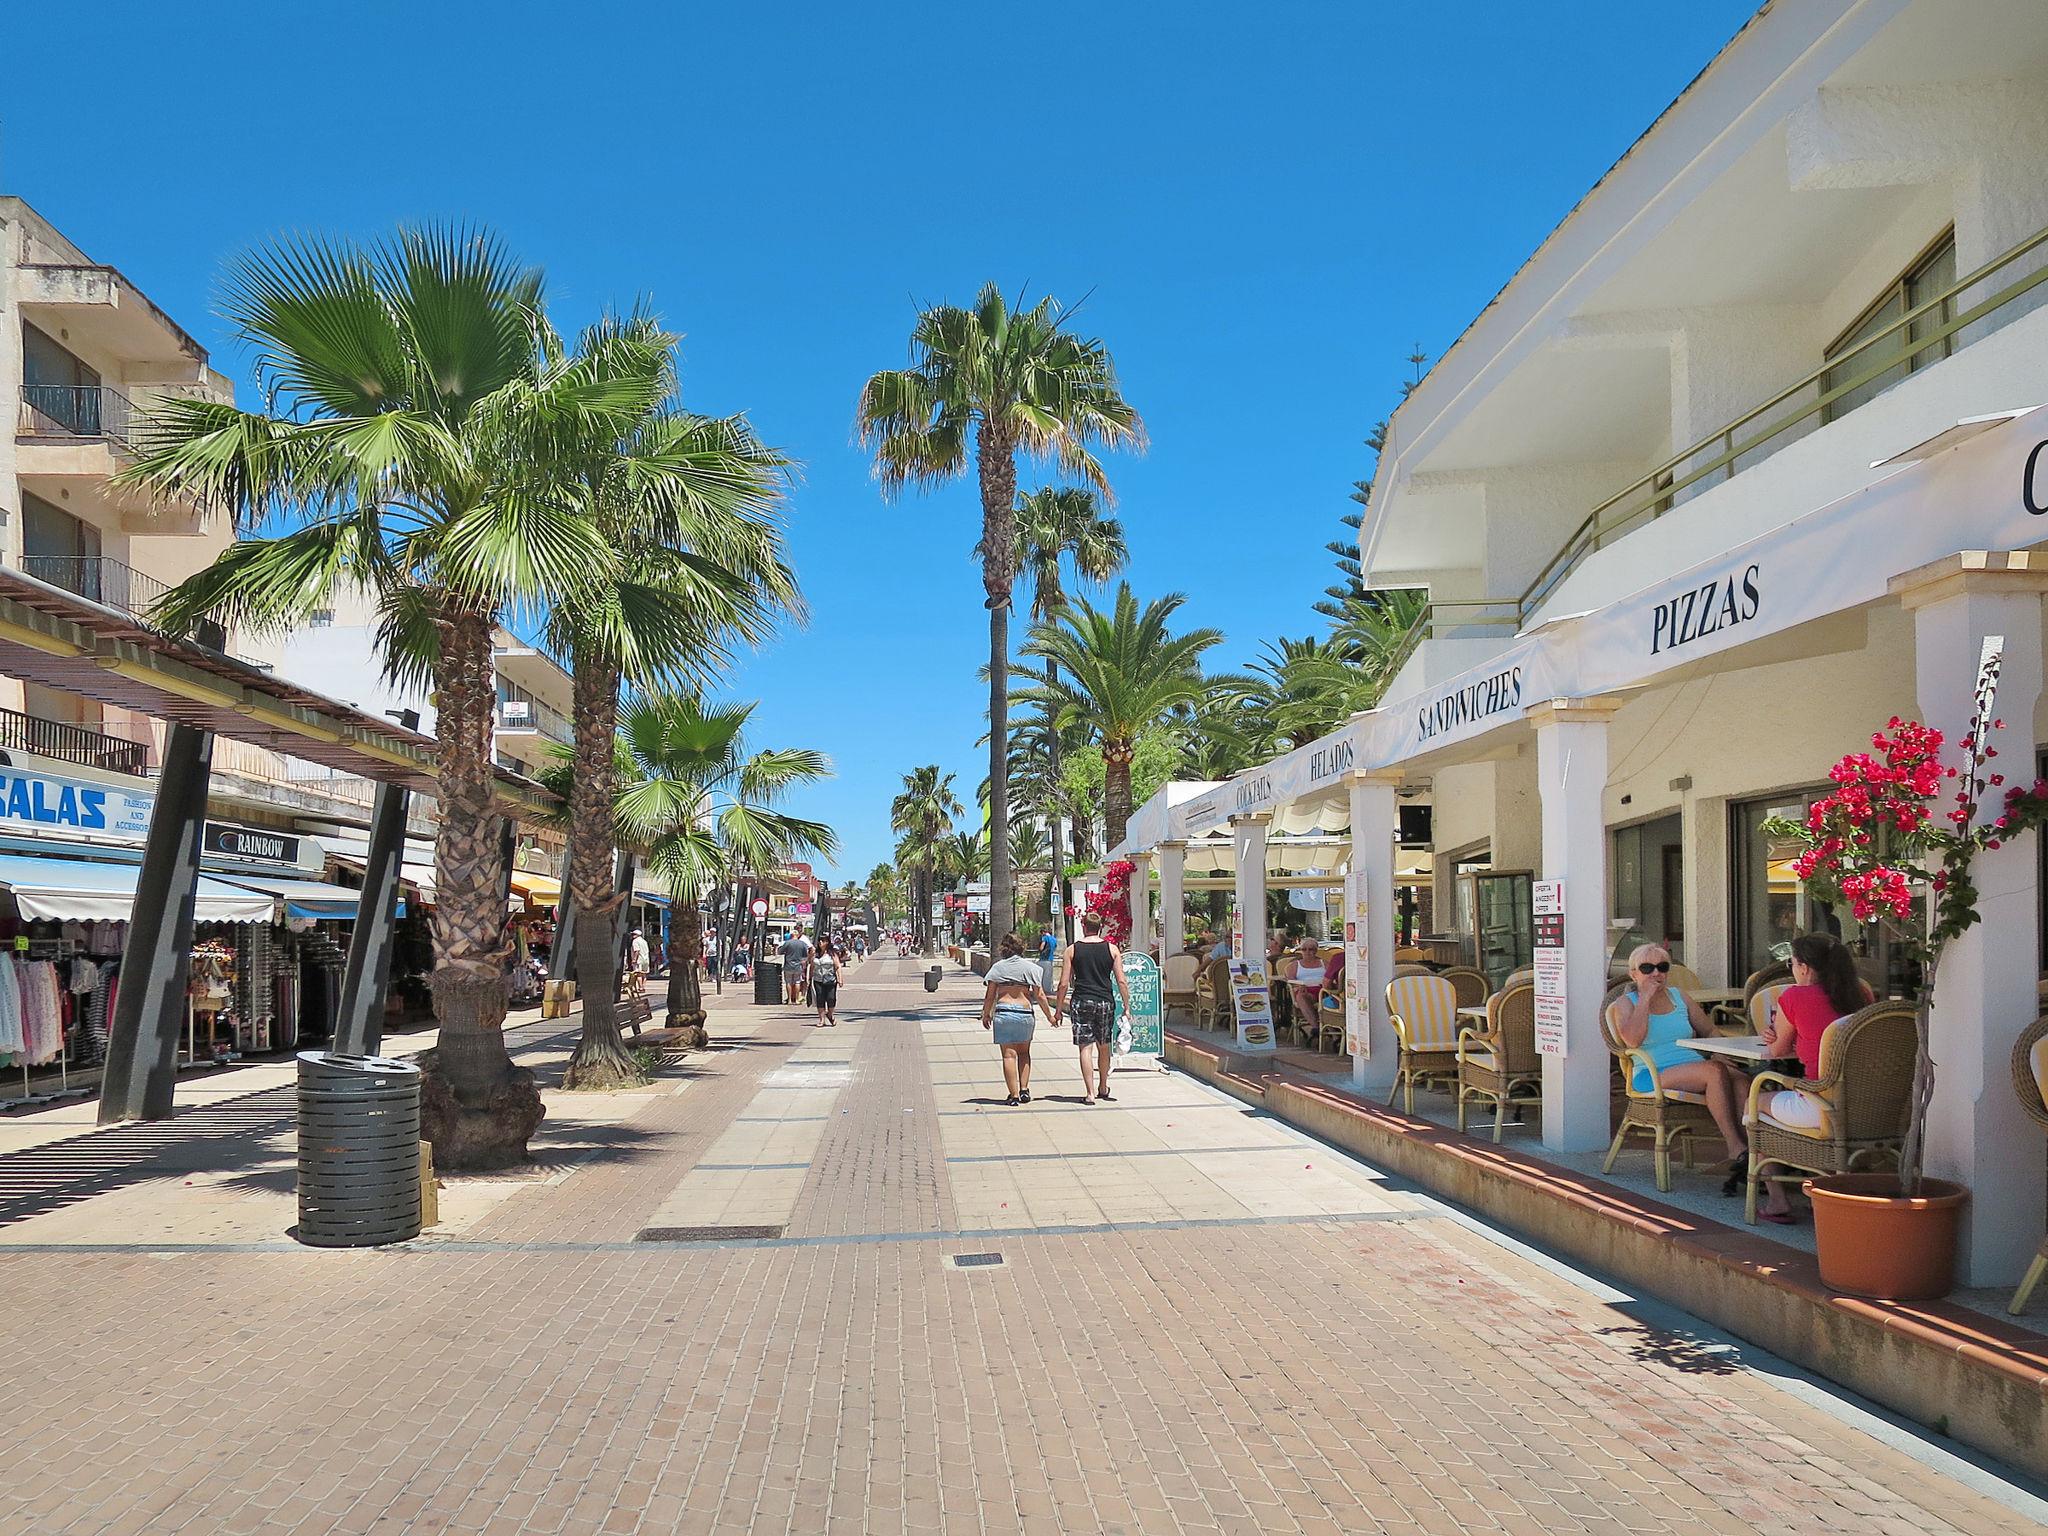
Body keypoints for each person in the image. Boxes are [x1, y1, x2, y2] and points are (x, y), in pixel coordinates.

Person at [1749, 932, 1873, 1222]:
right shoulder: (1860, 994)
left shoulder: (1793, 996)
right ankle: (1828, 1189)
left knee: (1753, 1102)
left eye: (1792, 963)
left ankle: (1778, 1200)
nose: (1791, 970)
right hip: (1866, 1105)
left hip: (1823, 1105)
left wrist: (1775, 1037)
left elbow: (1777, 1051)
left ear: (1803, 967)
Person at [1607, 943, 1748, 1172]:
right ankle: (1734, 1147)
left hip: (1693, 1067)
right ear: (1633, 973)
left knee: (1742, 1080)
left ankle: (1751, 1157)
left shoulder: (1679, 997)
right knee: (1714, 1071)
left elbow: (1710, 1031)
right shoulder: (1625, 1003)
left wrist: (1718, 1052)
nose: (1656, 973)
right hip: (1651, 1073)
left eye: (1662, 967)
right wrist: (1644, 999)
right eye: (1647, 968)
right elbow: (1632, 1041)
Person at [1057, 911, 1134, 1105]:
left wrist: (1058, 1009)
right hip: (1105, 1001)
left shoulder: (1072, 950)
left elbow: (1064, 983)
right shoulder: (1112, 949)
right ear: (1100, 928)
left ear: (1084, 927)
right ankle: (1103, 1086)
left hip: (1081, 1000)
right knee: (1104, 1045)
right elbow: (1121, 981)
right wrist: (1127, 1006)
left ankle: (1090, 1093)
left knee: (1085, 1047)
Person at [981, 932, 1058, 1106]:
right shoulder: (1030, 968)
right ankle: (1024, 1090)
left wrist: (986, 1013)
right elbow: (1040, 995)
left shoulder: (998, 968)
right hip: (1024, 1012)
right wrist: (1050, 1016)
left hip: (1004, 1012)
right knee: (1024, 1053)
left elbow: (990, 995)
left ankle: (1013, 1095)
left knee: (1009, 1056)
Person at [808, 937, 842, 1027]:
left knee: (831, 998)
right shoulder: (815, 954)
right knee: (820, 999)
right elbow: (811, 966)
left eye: (822, 941)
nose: (820, 942)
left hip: (830, 980)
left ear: (827, 942)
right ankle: (821, 1019)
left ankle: (830, 1014)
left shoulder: (832, 954)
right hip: (818, 979)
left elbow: (838, 966)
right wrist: (809, 978)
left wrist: (840, 979)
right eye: (819, 940)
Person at [779, 929, 812, 1004]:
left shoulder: (787, 943)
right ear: (797, 935)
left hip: (788, 965)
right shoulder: (802, 943)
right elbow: (805, 955)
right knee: (797, 982)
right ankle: (797, 999)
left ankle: (790, 999)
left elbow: (780, 951)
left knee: (788, 982)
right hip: (798, 965)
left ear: (791, 935)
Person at [627, 928, 651, 996]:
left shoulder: (635, 941)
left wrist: (634, 959)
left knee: (638, 974)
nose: (632, 935)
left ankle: (640, 987)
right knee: (644, 974)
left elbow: (636, 951)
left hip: (639, 960)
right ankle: (643, 987)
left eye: (634, 934)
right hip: (646, 959)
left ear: (637, 935)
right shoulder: (644, 941)